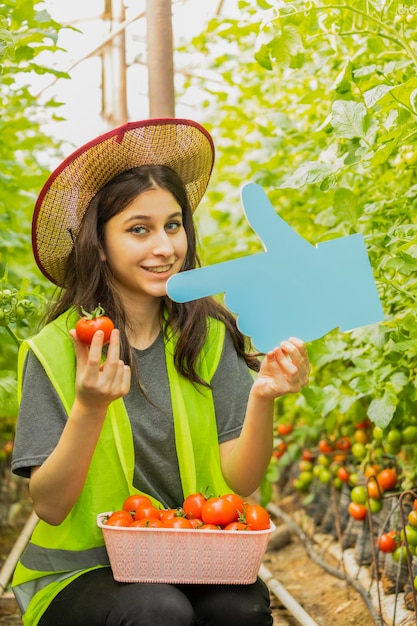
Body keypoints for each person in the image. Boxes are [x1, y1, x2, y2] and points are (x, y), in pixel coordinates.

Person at [11, 118, 310, 626]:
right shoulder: (54, 350)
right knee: (156, 610)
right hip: (79, 571)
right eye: (138, 230)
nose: (165, 248)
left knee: (241, 605)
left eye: (173, 225)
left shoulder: (209, 335)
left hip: (187, 556)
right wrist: (89, 406)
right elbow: (51, 507)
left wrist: (263, 398)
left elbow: (241, 480)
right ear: (99, 244)